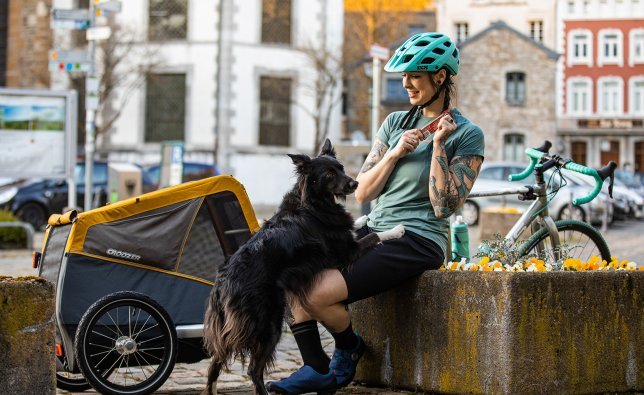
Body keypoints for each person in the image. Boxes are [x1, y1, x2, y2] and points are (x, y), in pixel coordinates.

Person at [266, 32, 485, 394]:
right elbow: (363, 191)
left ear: (440, 77)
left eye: (415, 75)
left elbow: (444, 204)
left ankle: (348, 349)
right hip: (374, 227)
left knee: (317, 293)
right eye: (405, 75)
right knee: (291, 277)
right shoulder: (395, 124)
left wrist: (439, 147)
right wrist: (394, 153)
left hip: (418, 238)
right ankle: (315, 368)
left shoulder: (466, 134)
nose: (406, 84)